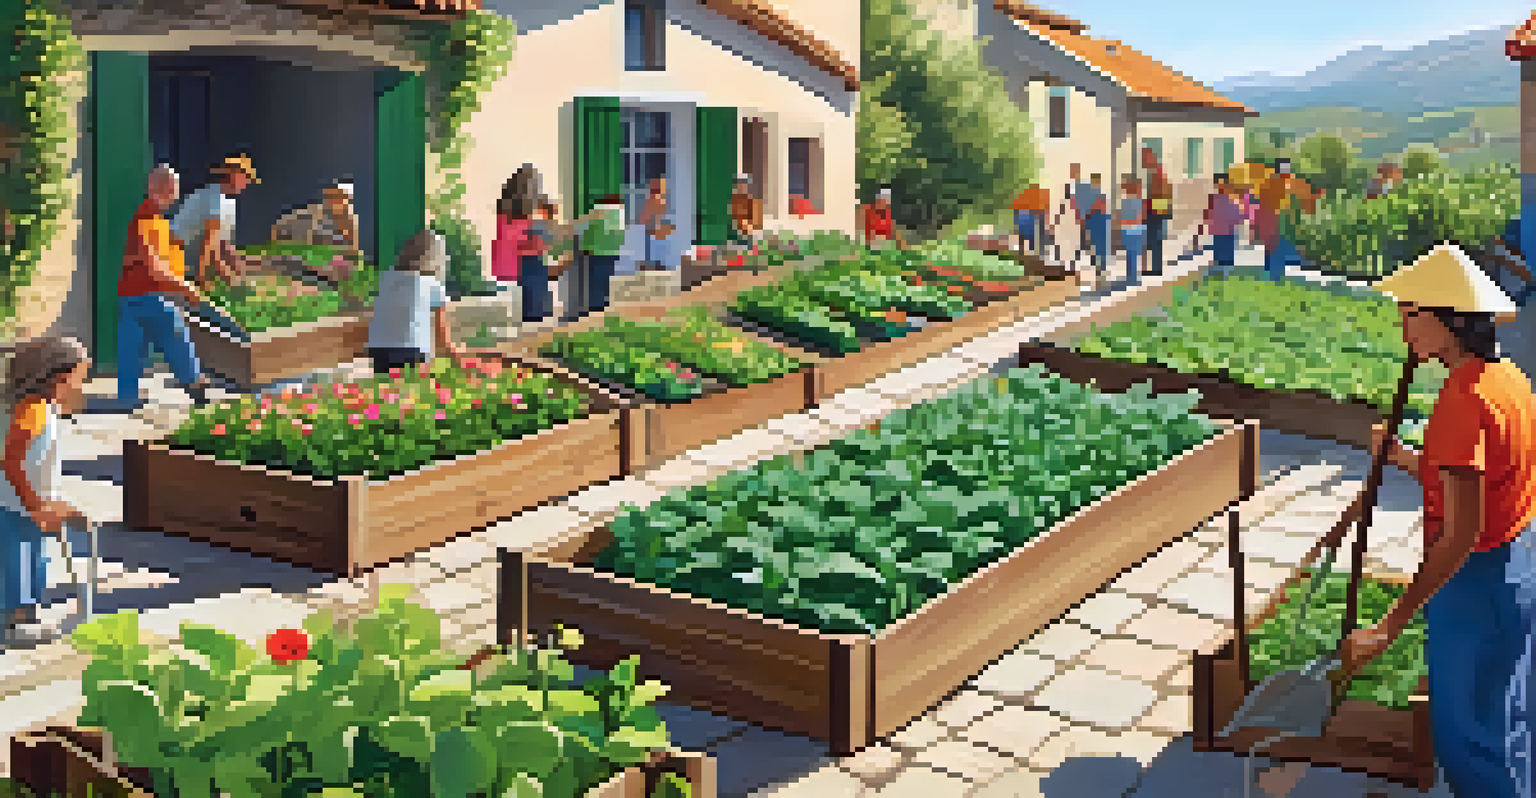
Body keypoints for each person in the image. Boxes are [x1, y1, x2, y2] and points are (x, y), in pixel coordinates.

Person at [1332, 244, 1534, 798]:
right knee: (1505, 719)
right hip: (1516, 563)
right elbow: (1479, 478)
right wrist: (1405, 460)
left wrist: (1389, 624)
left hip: (1475, 581)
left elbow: (1460, 533)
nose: (1403, 328)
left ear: (1450, 322)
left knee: (1468, 740)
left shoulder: (1462, 401)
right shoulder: (1508, 379)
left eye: (1411, 314)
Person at [1, 335, 91, 639]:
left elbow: (39, 462)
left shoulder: (42, 407)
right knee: (22, 560)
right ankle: (19, 622)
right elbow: (12, 460)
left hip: (24, 501)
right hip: (16, 505)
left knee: (31, 558)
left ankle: (23, 616)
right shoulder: (34, 409)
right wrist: (37, 506)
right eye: (80, 376)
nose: (82, 385)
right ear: (60, 376)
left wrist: (53, 501)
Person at [117, 165, 213, 410]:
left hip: (132, 296)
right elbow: (155, 267)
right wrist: (185, 288)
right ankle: (194, 383)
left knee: (133, 346)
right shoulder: (146, 220)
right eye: (172, 189)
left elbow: (166, 259)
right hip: (146, 295)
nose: (175, 195)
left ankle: (128, 395)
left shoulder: (155, 220)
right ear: (156, 188)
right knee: (174, 331)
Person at [366, 230, 466, 375]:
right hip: (411, 349)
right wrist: (455, 357)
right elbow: (440, 331)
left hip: (378, 348)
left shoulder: (385, 278)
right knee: (412, 394)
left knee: (387, 394)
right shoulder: (433, 285)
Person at [172, 153, 259, 291]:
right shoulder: (214, 198)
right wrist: (204, 283)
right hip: (174, 260)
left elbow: (225, 246)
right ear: (232, 174)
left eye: (248, 178)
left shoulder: (229, 202)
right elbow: (208, 246)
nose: (246, 182)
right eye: (245, 176)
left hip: (188, 263)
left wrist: (242, 276)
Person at [491, 166, 552, 322]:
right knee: (533, 313)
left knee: (518, 313)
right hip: (528, 264)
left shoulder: (503, 208)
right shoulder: (533, 211)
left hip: (508, 266)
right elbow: (536, 244)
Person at [573, 194, 626, 315]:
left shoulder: (596, 212)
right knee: (605, 280)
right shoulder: (621, 214)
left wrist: (583, 247)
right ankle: (602, 305)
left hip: (594, 252)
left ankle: (594, 307)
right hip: (612, 252)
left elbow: (581, 229)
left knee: (594, 281)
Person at [1204, 173, 1245, 273]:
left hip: (1229, 230)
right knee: (1218, 253)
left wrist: (1237, 221)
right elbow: (1208, 213)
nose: (1220, 186)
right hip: (1217, 230)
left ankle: (1227, 270)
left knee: (1228, 254)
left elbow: (1238, 213)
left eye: (1222, 183)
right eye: (1218, 183)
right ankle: (1218, 270)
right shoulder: (1212, 198)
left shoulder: (1232, 198)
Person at [1142, 148, 1173, 276]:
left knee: (1155, 240)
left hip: (1156, 212)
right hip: (1154, 211)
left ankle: (1156, 268)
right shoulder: (1153, 174)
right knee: (1153, 240)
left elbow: (1162, 194)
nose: (1143, 162)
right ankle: (1155, 266)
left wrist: (1149, 209)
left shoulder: (1157, 174)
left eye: (1145, 158)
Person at [1076, 173, 1109, 285]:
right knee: (1095, 243)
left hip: (1099, 218)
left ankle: (1100, 266)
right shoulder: (1094, 195)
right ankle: (1098, 265)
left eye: (1096, 181)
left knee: (1100, 244)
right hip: (1094, 218)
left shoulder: (1100, 194)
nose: (1095, 184)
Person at [1117, 177, 1146, 289]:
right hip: (1135, 230)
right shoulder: (1137, 201)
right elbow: (1140, 217)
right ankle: (1132, 278)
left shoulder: (1126, 202)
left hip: (1128, 230)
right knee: (1134, 255)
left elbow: (1122, 217)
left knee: (1130, 255)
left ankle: (1131, 277)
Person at [1013, 183, 1050, 256]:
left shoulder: (1026, 194)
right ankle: (1035, 250)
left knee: (1028, 233)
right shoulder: (1042, 194)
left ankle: (1031, 250)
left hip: (1031, 213)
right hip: (1031, 213)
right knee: (1032, 233)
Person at [730, 174, 764, 252]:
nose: (741, 187)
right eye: (739, 185)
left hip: (747, 236)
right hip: (734, 235)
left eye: (743, 184)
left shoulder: (753, 201)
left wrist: (748, 225)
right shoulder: (734, 200)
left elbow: (758, 223)